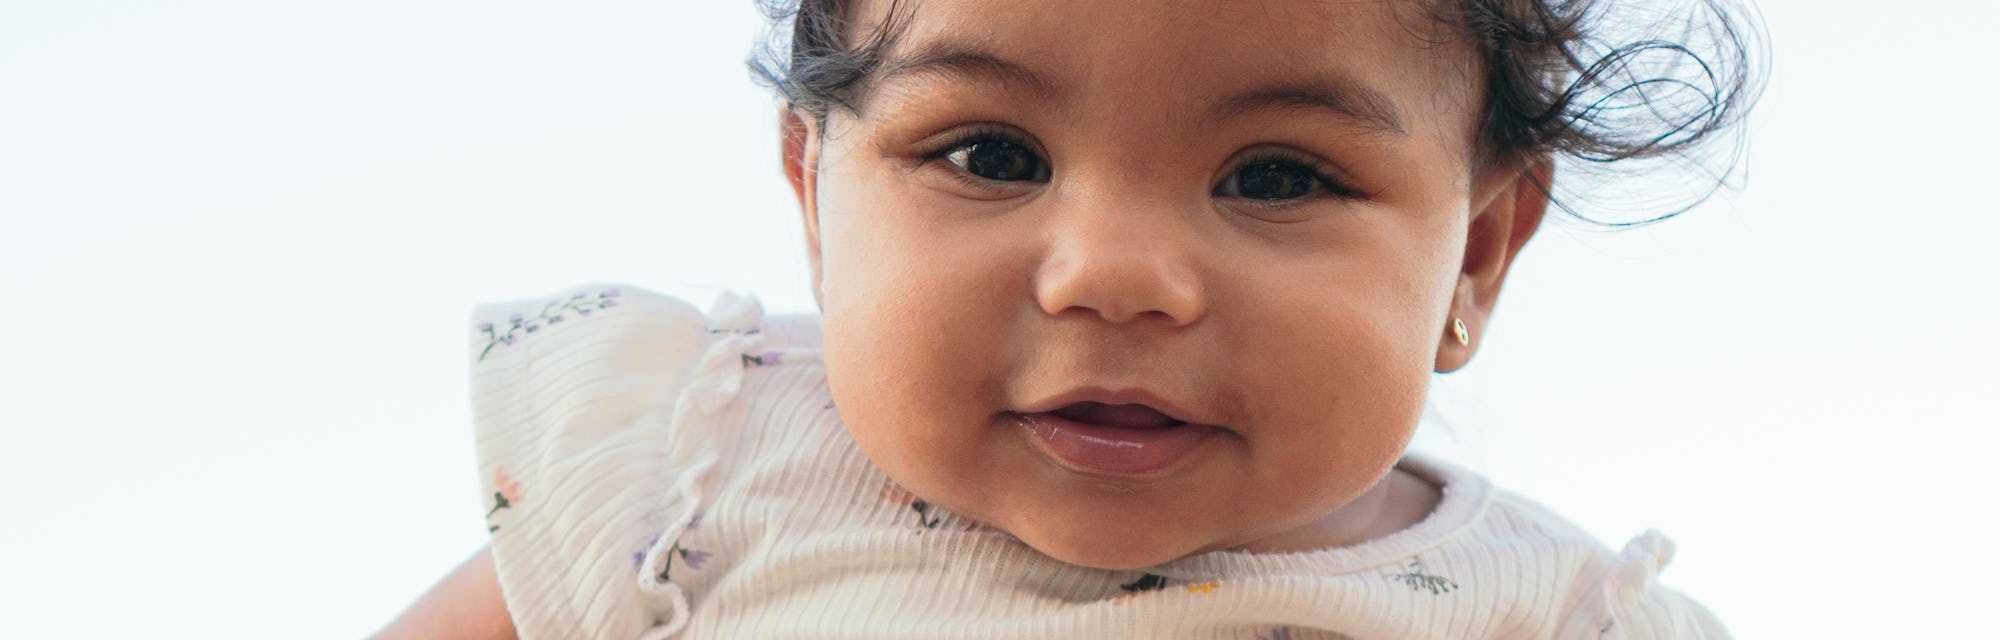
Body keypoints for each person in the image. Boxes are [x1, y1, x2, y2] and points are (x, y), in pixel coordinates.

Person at [376, 0, 1761, 637]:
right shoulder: (695, 464)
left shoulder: (1555, 620)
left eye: (1276, 175)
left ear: (1476, 257)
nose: (1113, 275)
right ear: (815, 199)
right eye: (990, 154)